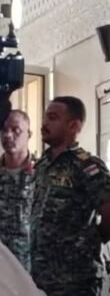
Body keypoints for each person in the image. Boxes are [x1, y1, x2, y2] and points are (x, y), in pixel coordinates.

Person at [30, 96, 110, 296]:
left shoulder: (87, 166)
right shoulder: (41, 165)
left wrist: (85, 243)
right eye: (45, 117)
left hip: (75, 278)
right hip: (40, 276)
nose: (44, 124)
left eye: (53, 118)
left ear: (74, 126)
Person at [0, 110, 35, 270]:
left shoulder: (42, 174)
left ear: (29, 134)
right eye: (4, 129)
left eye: (16, 130)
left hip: (29, 265)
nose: (8, 135)